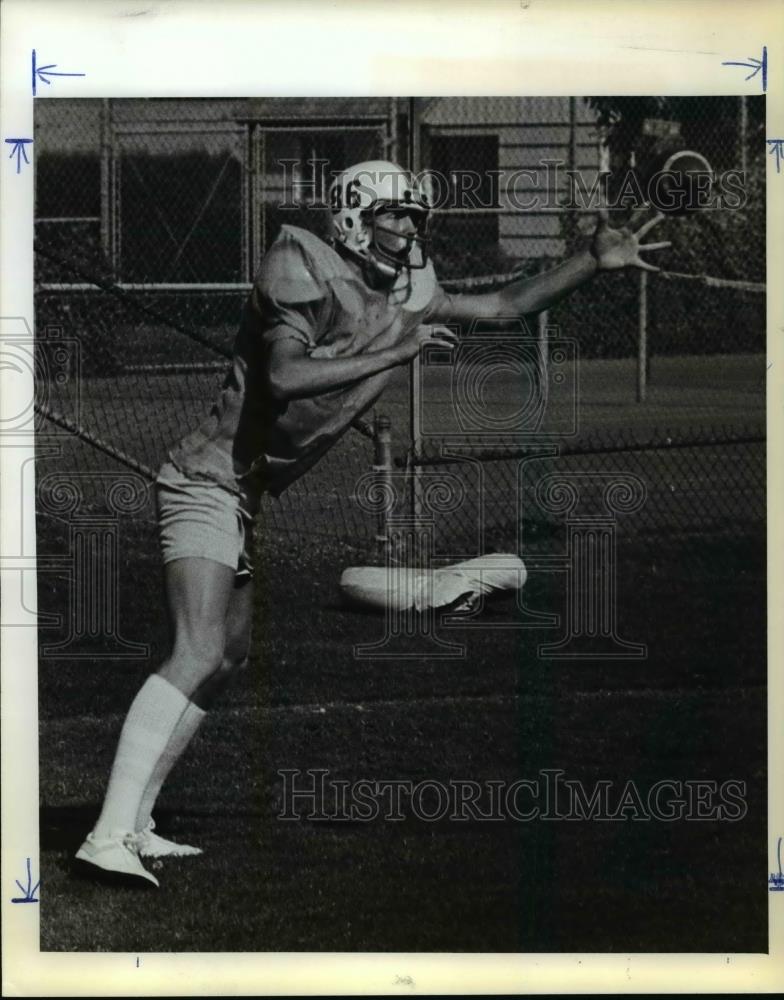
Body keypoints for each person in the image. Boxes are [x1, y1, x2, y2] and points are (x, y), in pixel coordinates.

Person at [75, 160, 669, 886]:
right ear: (355, 215)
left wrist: (589, 262)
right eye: (395, 214)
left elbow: (504, 306)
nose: (409, 227)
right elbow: (284, 377)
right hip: (204, 479)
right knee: (196, 650)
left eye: (416, 216)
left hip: (243, 493)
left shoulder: (407, 288)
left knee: (226, 657)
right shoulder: (300, 262)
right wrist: (401, 349)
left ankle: (137, 825)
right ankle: (105, 834)